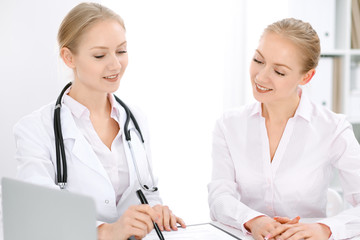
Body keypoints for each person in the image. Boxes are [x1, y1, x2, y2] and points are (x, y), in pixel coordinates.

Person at [13, 2, 185, 240]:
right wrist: (104, 231)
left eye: (121, 51)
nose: (115, 64)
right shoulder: (34, 129)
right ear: (68, 57)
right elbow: (40, 211)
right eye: (100, 55)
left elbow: (146, 191)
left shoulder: (135, 120)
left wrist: (155, 212)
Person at [208, 18, 360, 240]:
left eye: (279, 72)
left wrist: (324, 229)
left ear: (306, 77)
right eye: (258, 60)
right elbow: (219, 197)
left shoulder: (333, 128)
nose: (260, 76)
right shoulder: (229, 125)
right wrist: (252, 220)